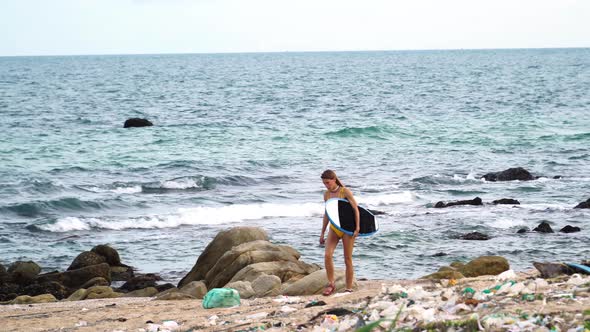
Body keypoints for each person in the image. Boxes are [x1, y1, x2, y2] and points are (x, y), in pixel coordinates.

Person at [319, 169, 360, 296]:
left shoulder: (345, 191)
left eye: (328, 182)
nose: (326, 185)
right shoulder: (326, 195)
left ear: (334, 180)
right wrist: (322, 232)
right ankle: (331, 284)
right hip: (334, 228)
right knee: (327, 255)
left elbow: (356, 209)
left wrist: (357, 227)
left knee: (347, 258)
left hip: (347, 229)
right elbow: (327, 214)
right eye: (324, 183)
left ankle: (348, 288)